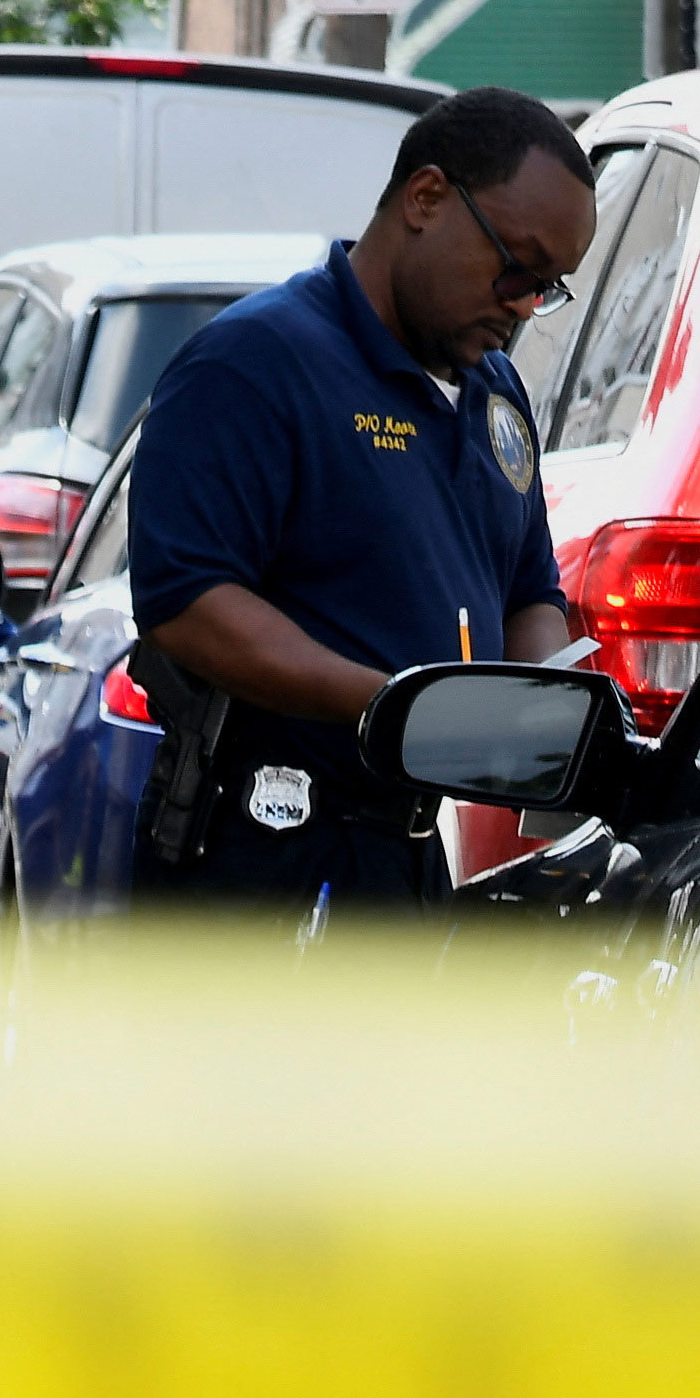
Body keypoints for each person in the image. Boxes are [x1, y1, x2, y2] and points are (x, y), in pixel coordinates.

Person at [122, 84, 596, 917]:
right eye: (516, 266)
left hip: (408, 857)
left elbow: (528, 589)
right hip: (258, 860)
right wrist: (397, 705)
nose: (524, 303)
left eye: (548, 285)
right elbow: (186, 601)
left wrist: (536, 710)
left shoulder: (495, 392)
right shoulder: (254, 363)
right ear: (426, 198)